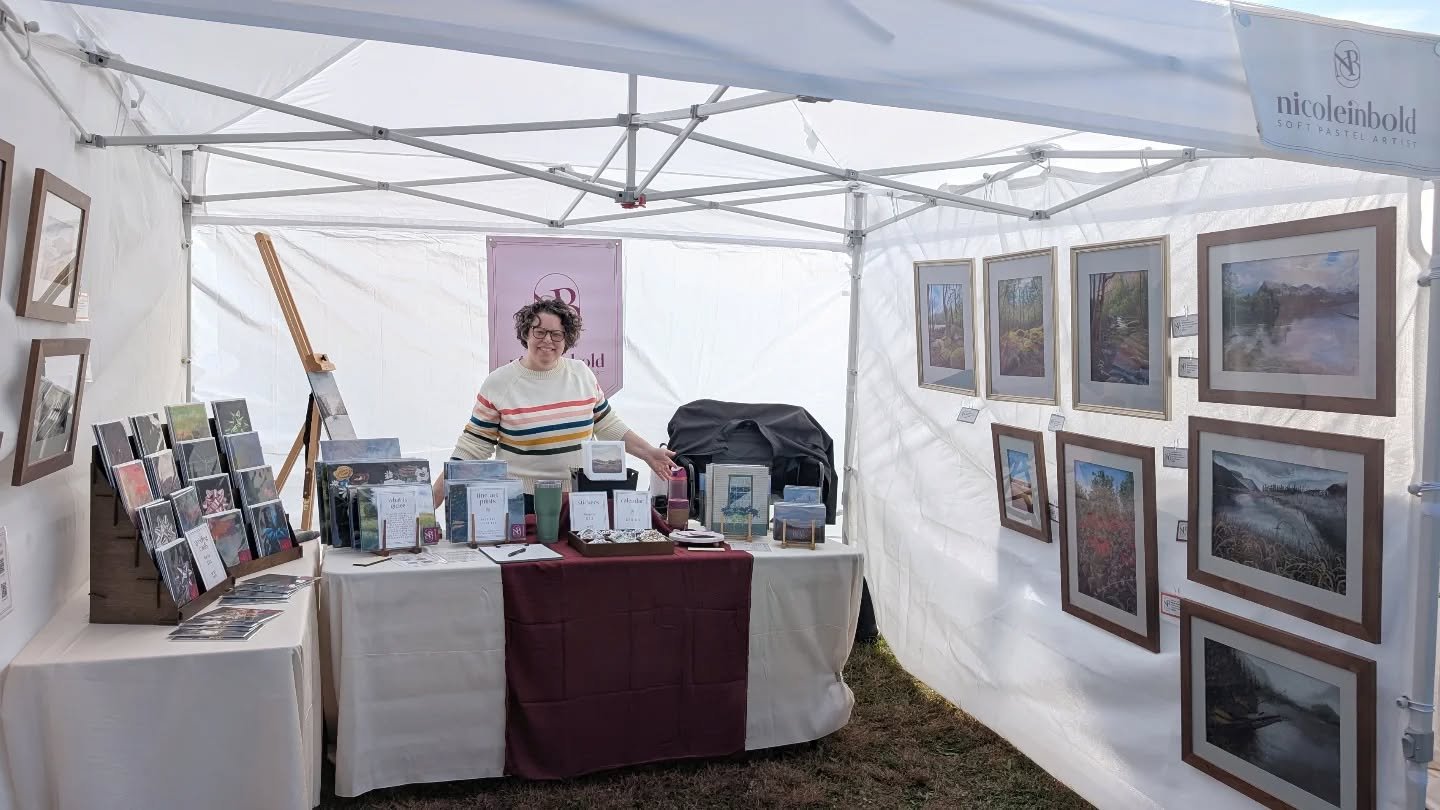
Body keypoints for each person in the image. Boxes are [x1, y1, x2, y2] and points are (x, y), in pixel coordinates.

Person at [433, 298, 673, 507]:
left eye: (556, 334)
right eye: (539, 332)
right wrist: (432, 500)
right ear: (525, 333)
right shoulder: (499, 384)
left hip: (581, 498)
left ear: (566, 339)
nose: (547, 340)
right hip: (522, 500)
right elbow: (472, 449)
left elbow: (607, 425)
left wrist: (649, 453)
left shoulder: (582, 374)